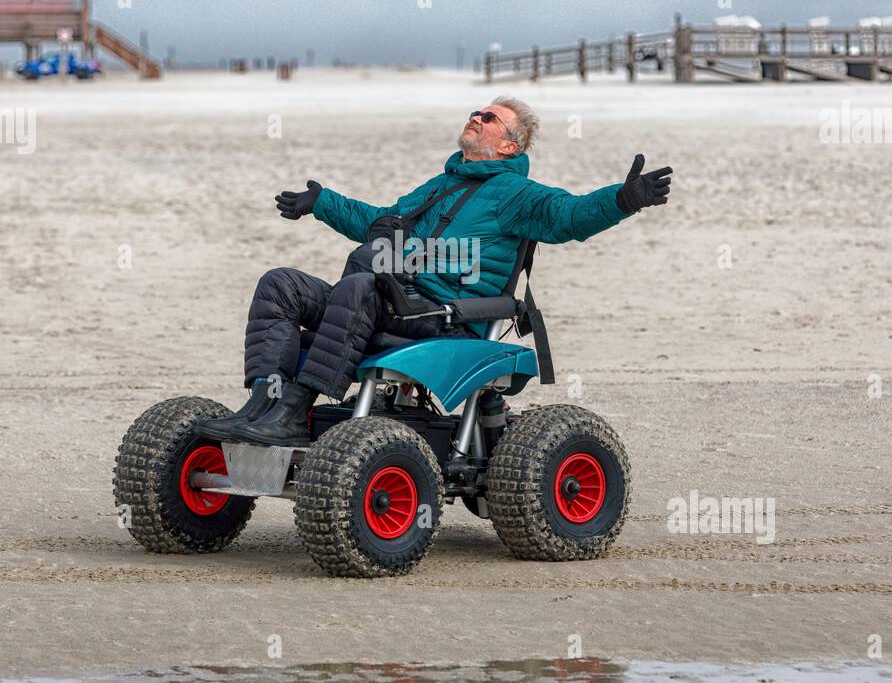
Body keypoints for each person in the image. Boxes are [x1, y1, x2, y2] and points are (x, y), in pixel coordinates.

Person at [198, 97, 672, 446]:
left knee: (363, 279)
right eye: (476, 111)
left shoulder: (517, 195)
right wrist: (322, 203)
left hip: (446, 314)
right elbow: (382, 223)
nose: (476, 118)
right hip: (391, 300)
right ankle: (263, 404)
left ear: (509, 146)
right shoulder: (442, 184)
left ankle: (295, 413)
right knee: (281, 284)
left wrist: (622, 200)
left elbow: (569, 217)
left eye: (489, 118)